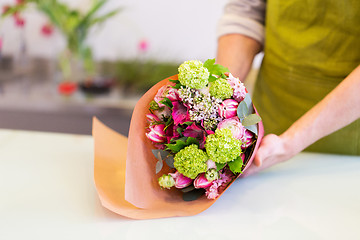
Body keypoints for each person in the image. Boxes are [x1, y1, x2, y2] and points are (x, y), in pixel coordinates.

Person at [216, 0, 360, 176]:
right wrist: (219, 101)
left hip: (348, 150)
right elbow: (246, 11)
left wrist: (290, 143)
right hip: (270, 123)